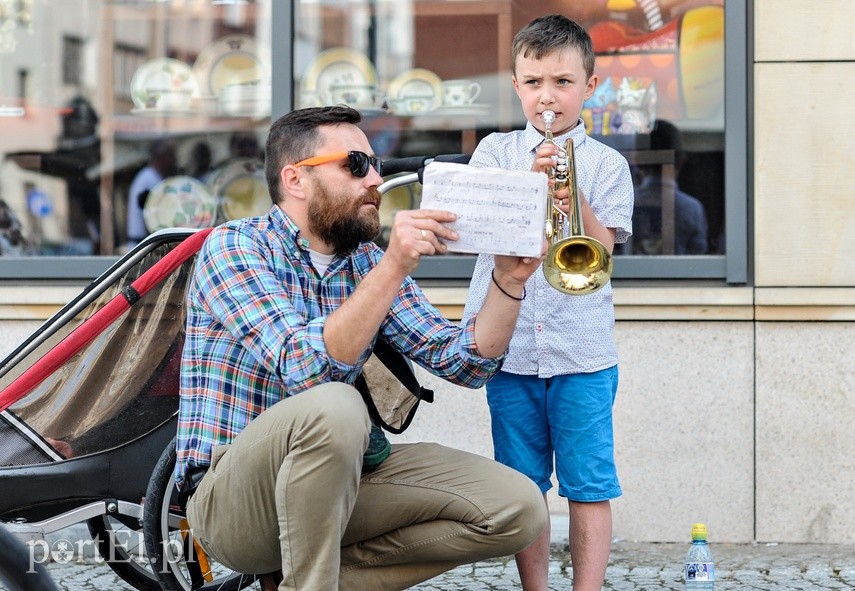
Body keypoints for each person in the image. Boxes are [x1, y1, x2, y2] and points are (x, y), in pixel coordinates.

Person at [175, 105, 549, 590]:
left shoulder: (364, 260)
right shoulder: (234, 247)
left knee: (517, 507)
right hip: (234, 503)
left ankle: (307, 582)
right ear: (296, 179)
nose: (375, 179)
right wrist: (393, 267)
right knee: (335, 402)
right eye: (355, 164)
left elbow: (464, 361)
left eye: (377, 164)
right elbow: (304, 368)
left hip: (338, 487)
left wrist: (508, 279)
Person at [461, 15, 634, 591]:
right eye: (534, 82)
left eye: (561, 82)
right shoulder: (494, 152)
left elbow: (601, 252)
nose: (547, 96)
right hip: (507, 352)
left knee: (589, 483)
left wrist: (568, 176)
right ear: (516, 86)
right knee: (522, 485)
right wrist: (528, 184)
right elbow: (481, 237)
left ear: (588, 85)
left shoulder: (610, 164)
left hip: (581, 352)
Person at [629, 119, 708, 255]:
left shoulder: (625, 203)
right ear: (681, 160)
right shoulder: (692, 209)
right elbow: (698, 254)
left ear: (637, 160)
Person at [125, 139, 177, 249]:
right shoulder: (149, 180)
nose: (174, 160)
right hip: (142, 245)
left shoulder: (152, 177)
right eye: (170, 155)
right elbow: (149, 215)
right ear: (161, 157)